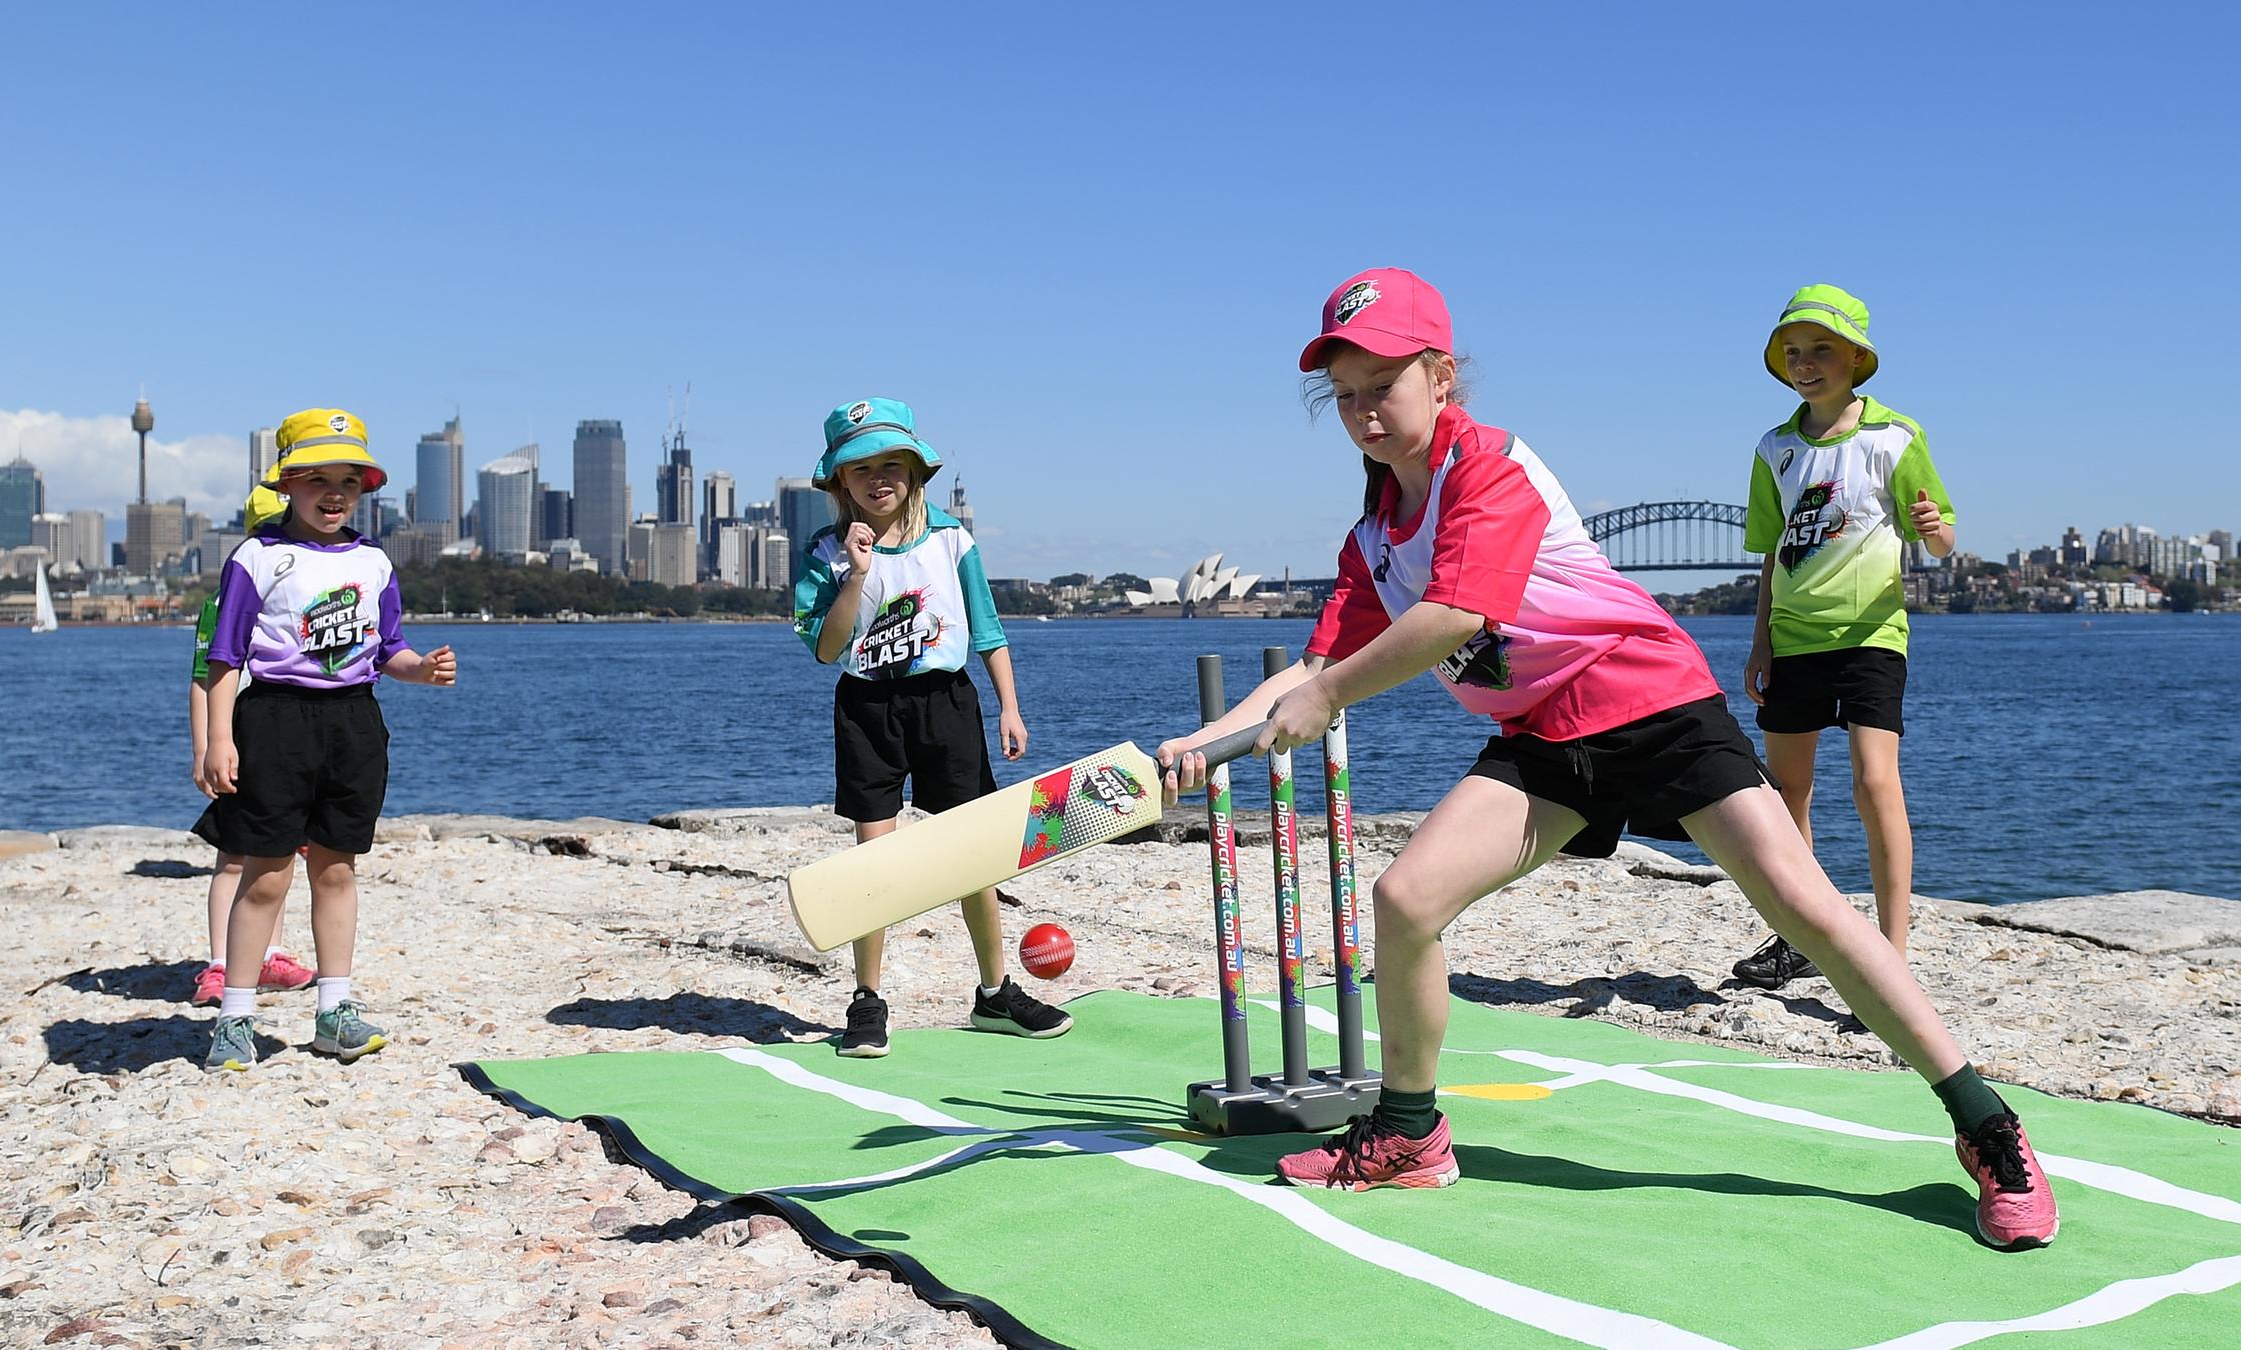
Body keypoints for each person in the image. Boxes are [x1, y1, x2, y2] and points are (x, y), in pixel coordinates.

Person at [1157, 269, 2055, 1249]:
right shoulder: (1376, 534)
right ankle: (1412, 1133)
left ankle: (1987, 1126)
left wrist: (1324, 697)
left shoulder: (1488, 469)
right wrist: (1202, 746)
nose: (1366, 411)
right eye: (1347, 394)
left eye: (1385, 385)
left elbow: (1451, 618)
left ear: (1441, 377)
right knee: (1407, 900)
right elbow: (1315, 666)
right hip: (1544, 738)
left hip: (1651, 703)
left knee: (1809, 911)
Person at [792, 397, 1068, 1058]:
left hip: (947, 701)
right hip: (866, 706)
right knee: (875, 857)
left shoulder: (952, 539)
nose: (878, 478)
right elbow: (827, 649)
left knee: (971, 854)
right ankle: (867, 998)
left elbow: (989, 631)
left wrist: (1010, 706)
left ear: (916, 470)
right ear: (838, 482)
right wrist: (857, 576)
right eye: (861, 469)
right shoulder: (825, 552)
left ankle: (995, 992)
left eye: (893, 464)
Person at [194, 409, 457, 1072]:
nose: (334, 493)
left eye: (349, 480)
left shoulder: (373, 561)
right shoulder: (258, 558)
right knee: (265, 876)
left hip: (353, 724)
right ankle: (236, 1016)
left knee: (337, 868)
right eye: (316, 478)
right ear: (287, 483)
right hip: (275, 720)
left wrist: (420, 670)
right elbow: (225, 656)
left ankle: (334, 1010)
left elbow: (386, 647)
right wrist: (218, 739)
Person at [1730, 285, 1955, 991]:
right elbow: (1770, 553)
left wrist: (1932, 529)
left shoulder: (1898, 437)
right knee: (1786, 792)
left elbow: (1944, 539)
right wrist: (1759, 640)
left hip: (1871, 636)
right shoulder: (1775, 448)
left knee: (1873, 782)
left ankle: (1891, 955)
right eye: (1793, 352)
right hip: (1793, 643)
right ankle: (1800, 933)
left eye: (1821, 349)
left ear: (1856, 357)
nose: (1805, 363)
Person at [187, 471, 307, 1005]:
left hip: (286, 737)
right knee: (235, 855)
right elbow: (201, 679)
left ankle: (270, 953)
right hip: (239, 738)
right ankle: (220, 962)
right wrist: (206, 747)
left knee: (280, 854)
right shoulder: (224, 603)